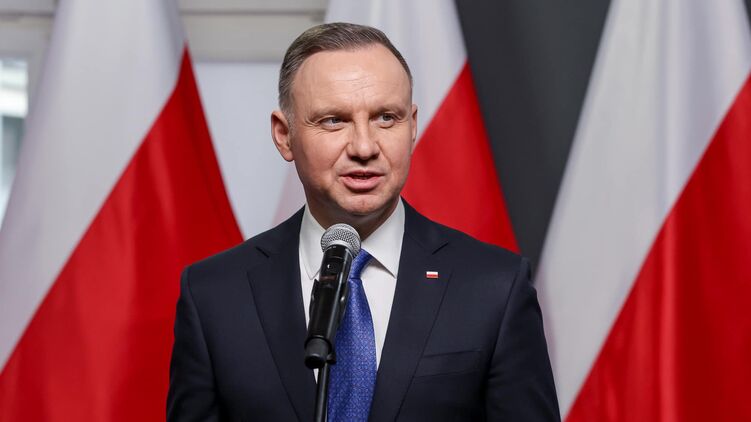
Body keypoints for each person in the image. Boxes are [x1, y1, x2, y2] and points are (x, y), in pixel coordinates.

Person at [167, 22, 560, 421]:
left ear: (412, 126)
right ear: (285, 136)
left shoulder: (495, 287)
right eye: (333, 120)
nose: (364, 147)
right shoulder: (214, 295)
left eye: (386, 118)